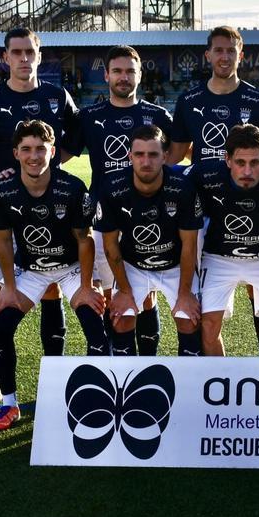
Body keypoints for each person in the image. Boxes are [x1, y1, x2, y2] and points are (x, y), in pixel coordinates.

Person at [0, 28, 81, 412]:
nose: (23, 58)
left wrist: (42, 172)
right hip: (2, 213)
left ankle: (53, 377)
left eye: (29, 51)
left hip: (49, 212)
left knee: (51, 286)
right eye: (16, 52)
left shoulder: (56, 96)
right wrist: (7, 181)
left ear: (39, 54)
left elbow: (72, 143)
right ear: (5, 57)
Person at [0, 120, 104, 430]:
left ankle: (93, 402)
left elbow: (85, 240)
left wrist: (88, 287)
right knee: (0, 329)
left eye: (41, 149)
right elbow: (1, 239)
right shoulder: (0, 188)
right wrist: (9, 288)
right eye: (26, 149)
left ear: (53, 151)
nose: (34, 156)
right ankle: (9, 405)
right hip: (33, 270)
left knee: (96, 329)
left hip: (72, 268)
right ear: (15, 153)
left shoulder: (73, 187)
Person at [171, 26, 259, 355]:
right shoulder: (189, 100)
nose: (224, 56)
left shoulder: (257, 99)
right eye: (218, 50)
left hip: (253, 206)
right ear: (208, 55)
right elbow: (177, 153)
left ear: (240, 55)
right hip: (205, 208)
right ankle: (208, 371)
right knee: (205, 292)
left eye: (231, 50)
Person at [67, 45, 176, 355]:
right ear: (106, 76)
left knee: (145, 296)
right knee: (107, 293)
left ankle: (148, 361)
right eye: (117, 71)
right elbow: (58, 156)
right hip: (104, 220)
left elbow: (178, 155)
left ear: (139, 75)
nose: (123, 77)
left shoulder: (158, 115)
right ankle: (111, 356)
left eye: (130, 71)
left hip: (150, 218)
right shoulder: (89, 116)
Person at [185, 124, 259, 356]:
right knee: (208, 326)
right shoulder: (205, 175)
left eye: (255, 162)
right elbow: (167, 176)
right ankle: (219, 385)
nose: (247, 171)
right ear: (227, 160)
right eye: (240, 162)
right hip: (218, 257)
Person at [95, 125, 203, 357]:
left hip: (175, 264)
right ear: (129, 156)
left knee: (188, 319)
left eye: (153, 154)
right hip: (134, 264)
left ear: (165, 156)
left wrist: (185, 294)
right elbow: (111, 246)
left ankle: (188, 386)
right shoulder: (112, 189)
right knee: (121, 318)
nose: (146, 161)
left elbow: (189, 246)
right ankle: (128, 381)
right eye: (139, 154)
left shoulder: (183, 188)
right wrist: (124, 291)